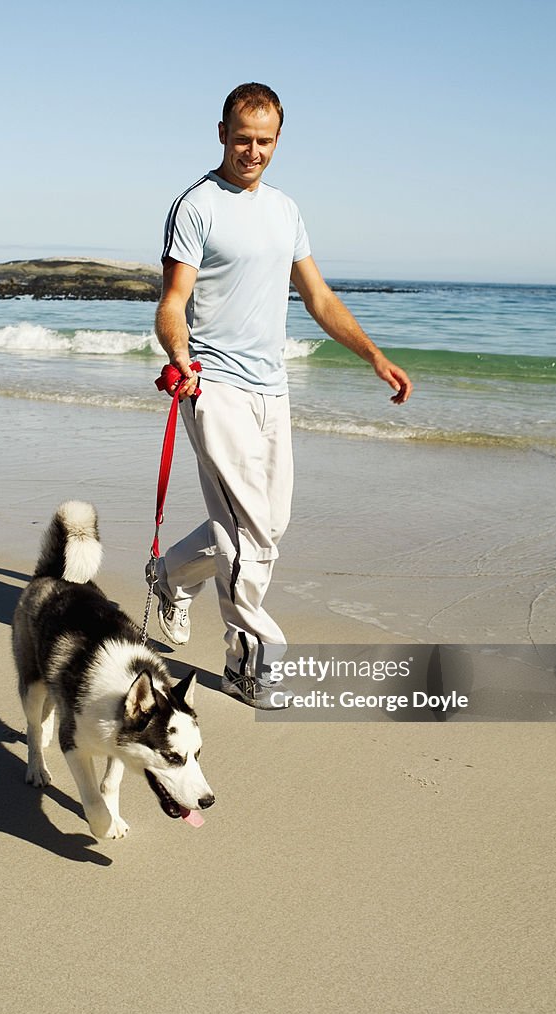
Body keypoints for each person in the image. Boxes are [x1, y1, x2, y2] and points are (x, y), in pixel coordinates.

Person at [152, 82, 412, 709]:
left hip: (273, 389)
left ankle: (170, 576)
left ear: (278, 141)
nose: (252, 151)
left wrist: (373, 355)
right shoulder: (196, 206)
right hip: (215, 386)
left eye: (264, 141)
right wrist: (180, 359)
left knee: (266, 525)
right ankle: (250, 661)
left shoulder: (286, 210)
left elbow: (319, 298)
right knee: (253, 536)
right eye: (242, 138)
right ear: (221, 133)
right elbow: (173, 303)